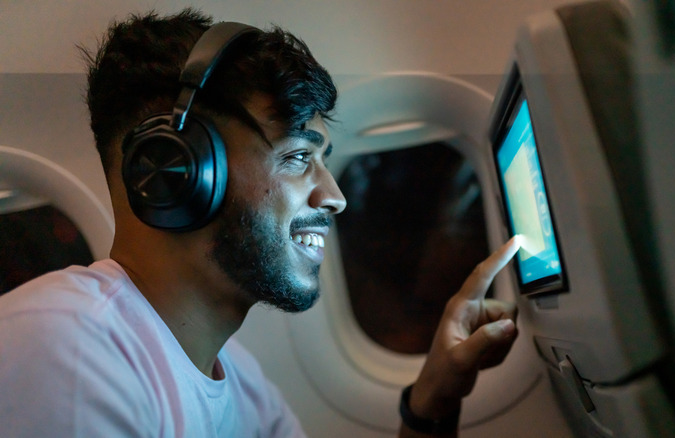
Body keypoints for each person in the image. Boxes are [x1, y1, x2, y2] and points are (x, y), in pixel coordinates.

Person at [0, 8, 521, 437]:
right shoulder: (68, 347)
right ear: (174, 172)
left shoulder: (244, 384)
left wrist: (433, 396)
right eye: (297, 158)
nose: (335, 197)